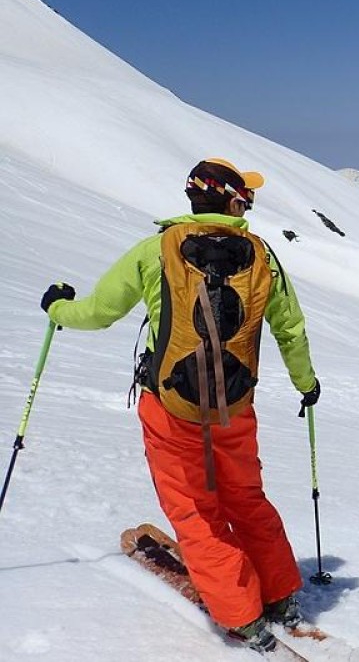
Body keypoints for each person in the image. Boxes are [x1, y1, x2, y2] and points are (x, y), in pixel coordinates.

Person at [40, 158, 321, 652]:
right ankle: (280, 596)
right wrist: (306, 384)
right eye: (246, 194)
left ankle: (242, 617)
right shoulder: (263, 257)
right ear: (235, 200)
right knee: (247, 500)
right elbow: (290, 329)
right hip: (235, 406)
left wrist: (57, 307)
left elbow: (99, 312)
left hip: (171, 408)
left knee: (195, 512)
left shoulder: (157, 251)